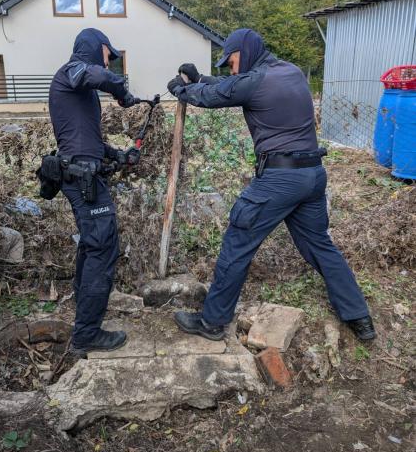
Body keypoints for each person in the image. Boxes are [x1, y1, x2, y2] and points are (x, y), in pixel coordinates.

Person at [167, 28, 376, 342]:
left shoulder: (254, 81)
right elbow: (232, 85)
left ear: (246, 53)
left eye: (233, 61)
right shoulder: (290, 72)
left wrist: (181, 89)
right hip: (313, 176)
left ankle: (211, 322)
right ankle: (359, 317)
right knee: (320, 246)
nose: (232, 68)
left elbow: (215, 96)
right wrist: (201, 78)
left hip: (279, 180)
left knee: (237, 244)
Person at [49, 28, 140, 355]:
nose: (109, 59)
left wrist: (119, 155)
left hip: (85, 173)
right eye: (108, 54)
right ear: (96, 49)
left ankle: (83, 307)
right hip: (80, 179)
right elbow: (98, 75)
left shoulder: (82, 92)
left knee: (92, 244)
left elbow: (88, 141)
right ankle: (86, 333)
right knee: (103, 247)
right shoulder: (71, 73)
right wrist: (121, 91)